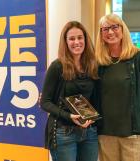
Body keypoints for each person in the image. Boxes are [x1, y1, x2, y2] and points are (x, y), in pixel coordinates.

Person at [95, 14, 140, 161]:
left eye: (114, 27)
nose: (110, 32)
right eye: (105, 29)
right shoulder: (99, 63)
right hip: (106, 136)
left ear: (123, 30)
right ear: (101, 34)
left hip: (135, 137)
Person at [41, 21, 99, 161]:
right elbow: (45, 102)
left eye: (80, 37)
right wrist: (69, 116)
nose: (76, 42)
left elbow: (95, 99)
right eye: (72, 39)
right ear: (65, 42)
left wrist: (91, 119)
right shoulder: (57, 67)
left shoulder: (92, 65)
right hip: (63, 132)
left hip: (89, 132)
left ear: (85, 39)